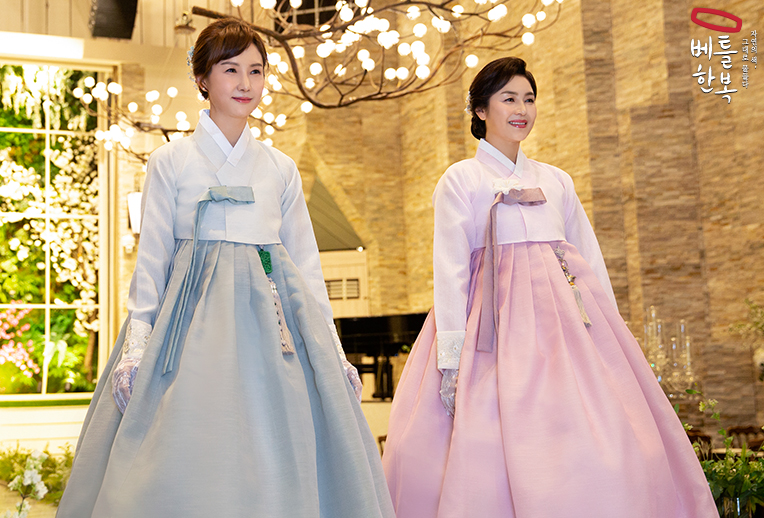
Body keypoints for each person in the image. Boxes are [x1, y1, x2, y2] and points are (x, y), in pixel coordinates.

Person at [57, 18, 394, 518]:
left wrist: (333, 348)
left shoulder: (280, 167)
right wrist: (137, 348)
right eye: (230, 69)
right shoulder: (170, 160)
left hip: (272, 322)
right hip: (189, 322)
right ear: (202, 78)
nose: (245, 83)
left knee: (277, 435)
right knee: (186, 438)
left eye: (255, 71)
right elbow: (152, 260)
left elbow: (304, 263)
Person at [381, 57, 717, 518]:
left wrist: (610, 333)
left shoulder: (557, 180)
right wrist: (452, 359)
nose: (522, 109)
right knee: (488, 443)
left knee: (595, 438)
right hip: (494, 332)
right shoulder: (462, 179)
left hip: (565, 330)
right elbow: (450, 269)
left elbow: (588, 259)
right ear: (481, 110)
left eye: (529, 99)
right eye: (509, 99)